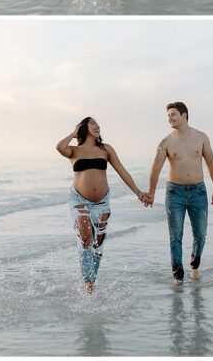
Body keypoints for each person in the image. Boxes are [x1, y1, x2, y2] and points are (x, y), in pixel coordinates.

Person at [56, 117, 150, 293]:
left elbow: (122, 171)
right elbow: (59, 147)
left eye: (98, 124)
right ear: (83, 128)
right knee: (85, 237)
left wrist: (138, 193)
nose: (97, 126)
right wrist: (73, 133)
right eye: (92, 123)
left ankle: (93, 278)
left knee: (98, 243)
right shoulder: (74, 150)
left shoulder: (105, 149)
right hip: (79, 199)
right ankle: (88, 281)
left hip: (102, 202)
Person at [144, 101, 213, 284]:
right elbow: (155, 169)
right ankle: (178, 275)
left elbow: (211, 163)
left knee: (200, 234)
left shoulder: (201, 137)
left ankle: (194, 266)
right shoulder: (166, 142)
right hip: (174, 193)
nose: (169, 118)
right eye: (168, 116)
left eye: (173, 114)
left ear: (184, 115)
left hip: (198, 191)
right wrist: (151, 193)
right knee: (175, 236)